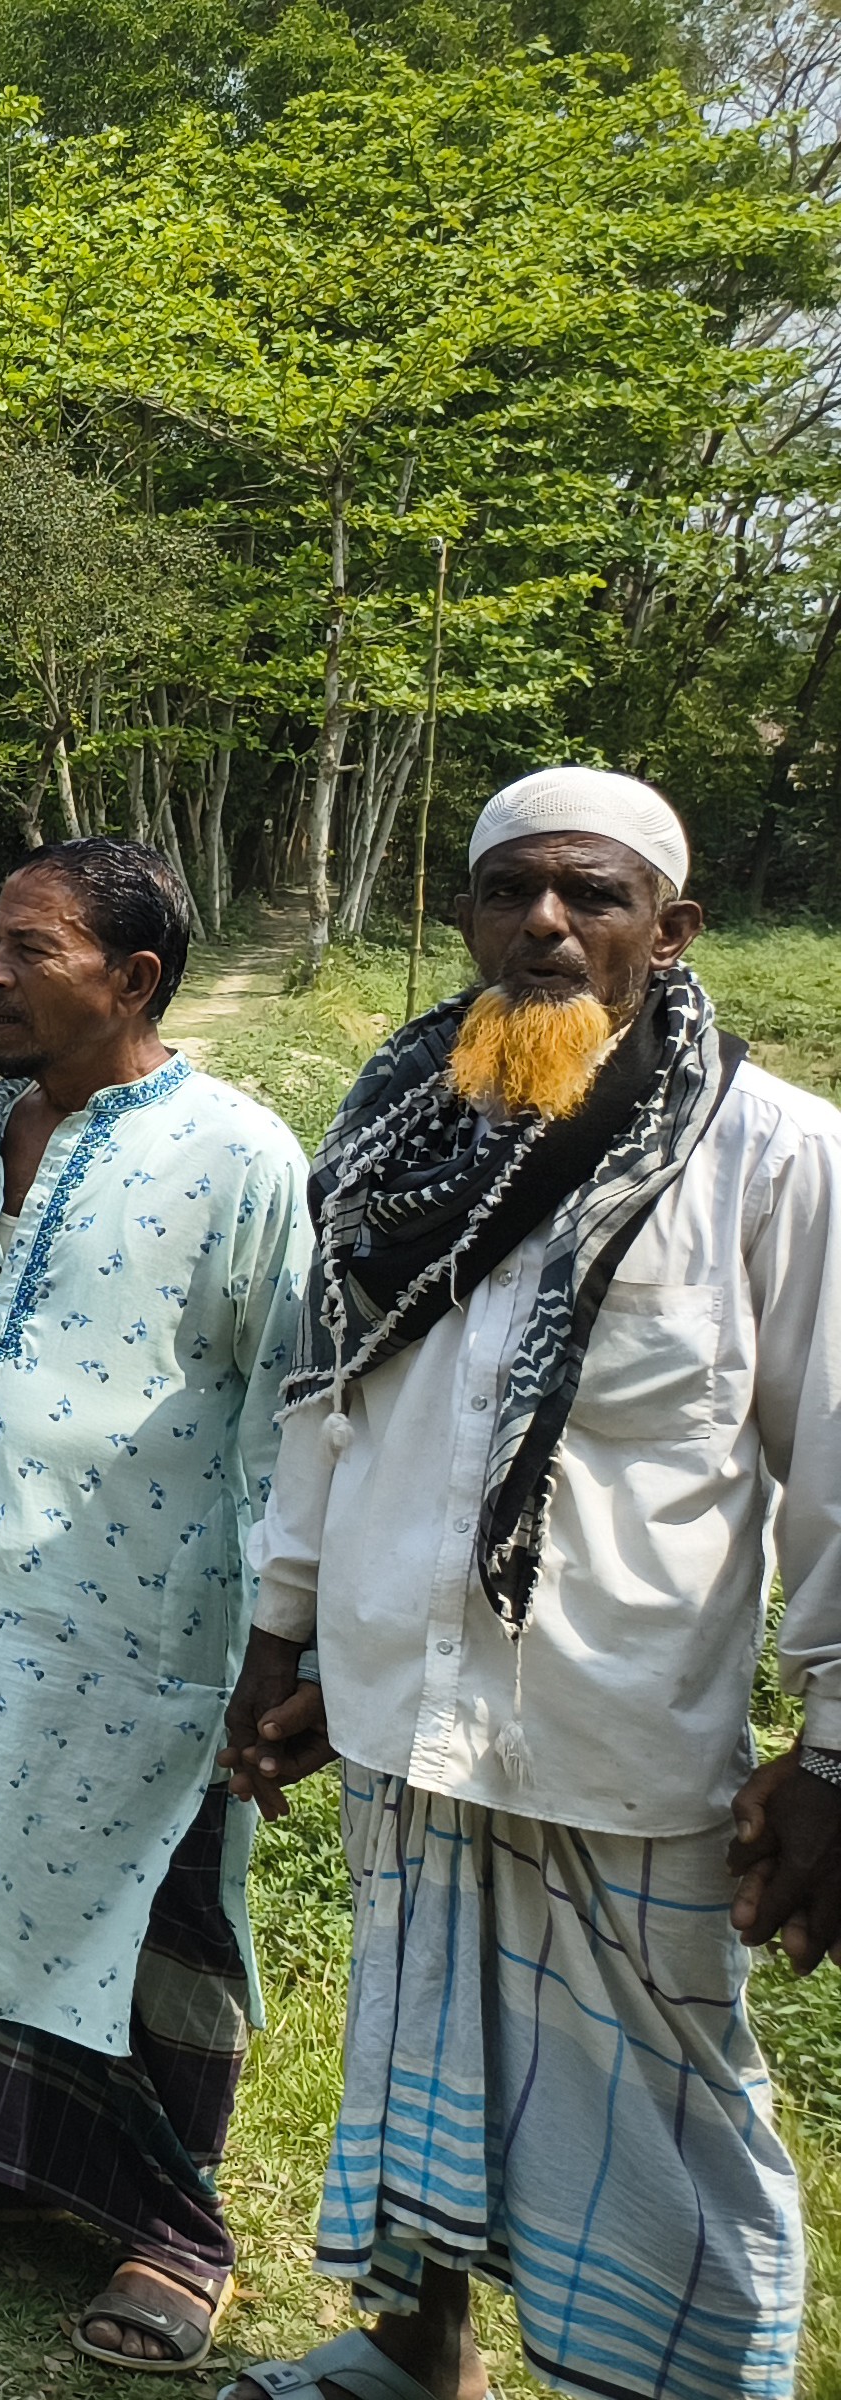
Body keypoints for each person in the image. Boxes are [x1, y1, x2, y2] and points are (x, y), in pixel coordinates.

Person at [217, 770, 835, 2400]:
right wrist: (280, 1631)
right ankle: (415, 2350)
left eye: (594, 895)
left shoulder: (770, 1158)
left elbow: (838, 1466)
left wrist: (834, 1748)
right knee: (414, 2037)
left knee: (670, 2109)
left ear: (672, 929)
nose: (548, 923)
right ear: (468, 915)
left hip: (612, 1718)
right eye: (513, 892)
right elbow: (324, 1407)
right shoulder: (388, 1128)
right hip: (393, 1691)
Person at [0, 840, 307, 2372]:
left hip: (157, 1618)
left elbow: (284, 1408)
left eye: (33, 951)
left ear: (137, 980)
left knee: (153, 1907)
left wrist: (273, 1642)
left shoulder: (238, 1154)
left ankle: (173, 2232)